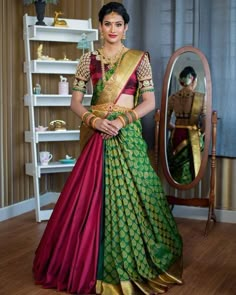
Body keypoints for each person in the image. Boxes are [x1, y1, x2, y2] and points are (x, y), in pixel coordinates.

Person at [33, 2, 183, 294]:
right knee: (90, 195)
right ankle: (85, 259)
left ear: (126, 28)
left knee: (138, 193)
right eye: (107, 23)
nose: (112, 29)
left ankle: (132, 257)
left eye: (118, 24)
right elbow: (75, 102)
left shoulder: (139, 59)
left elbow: (150, 102)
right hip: (98, 133)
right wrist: (96, 121)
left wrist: (122, 121)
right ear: (99, 26)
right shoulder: (87, 59)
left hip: (126, 134)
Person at [167, 66, 206, 184]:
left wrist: (174, 129)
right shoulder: (201, 98)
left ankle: (175, 192)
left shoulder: (173, 97)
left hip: (176, 135)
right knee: (190, 169)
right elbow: (205, 125)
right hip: (192, 137)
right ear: (193, 80)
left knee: (175, 168)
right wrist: (200, 134)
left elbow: (165, 122)